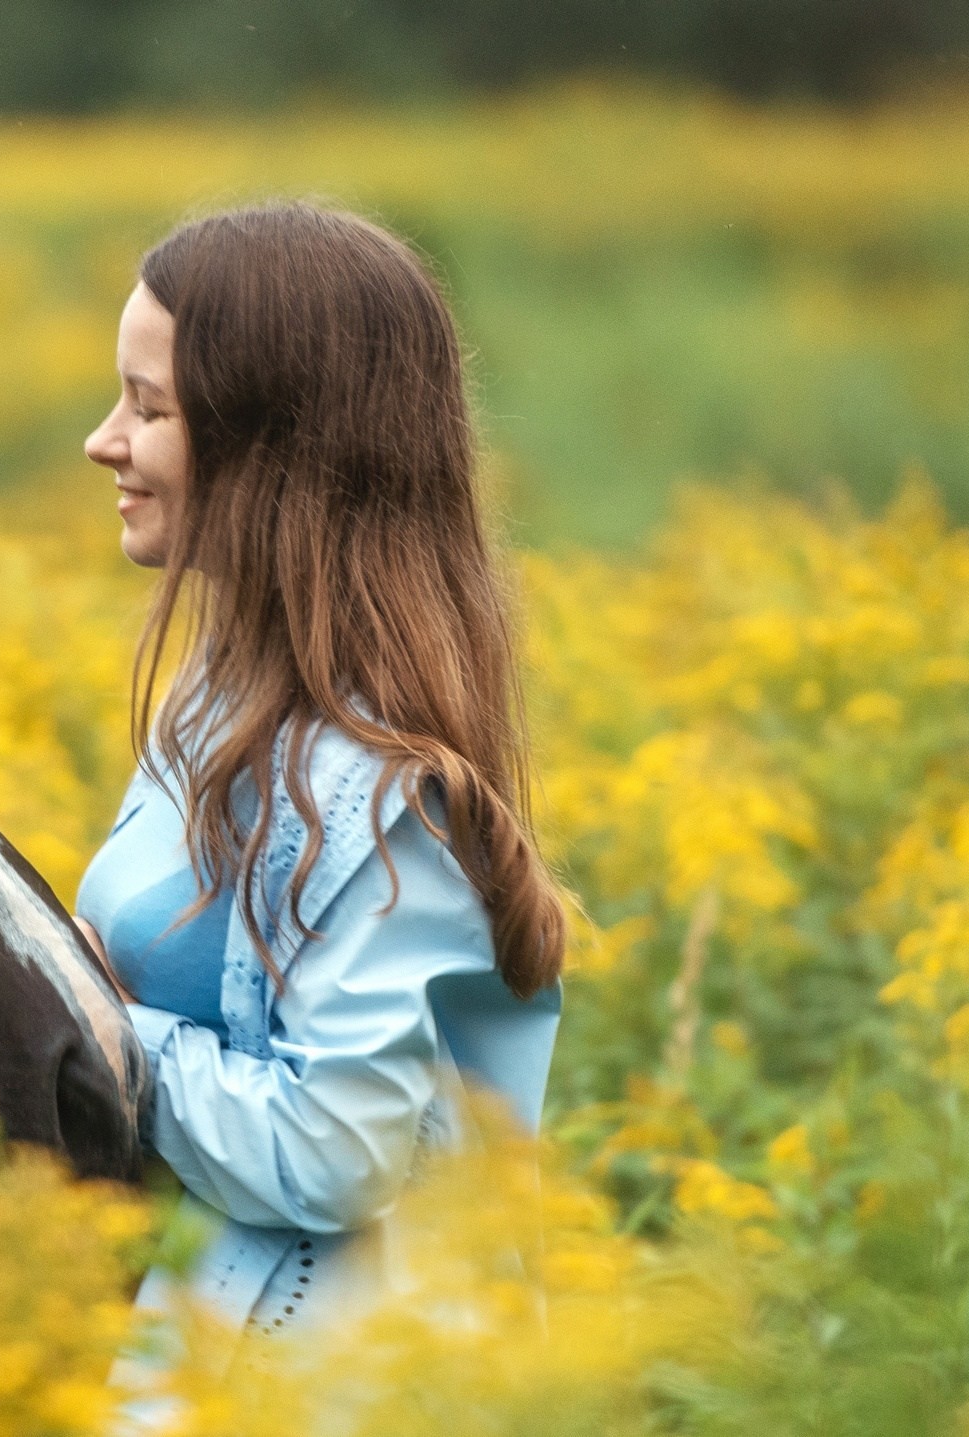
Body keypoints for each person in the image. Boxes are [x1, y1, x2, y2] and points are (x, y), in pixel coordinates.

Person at [71, 202, 564, 1337]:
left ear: (268, 450)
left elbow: (340, 1152)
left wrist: (96, 1023)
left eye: (147, 408)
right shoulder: (214, 705)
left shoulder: (382, 795)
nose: (104, 439)